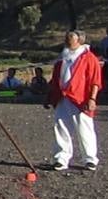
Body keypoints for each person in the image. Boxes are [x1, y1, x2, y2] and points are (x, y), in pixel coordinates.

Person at [44, 30, 103, 172]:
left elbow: (95, 80)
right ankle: (61, 158)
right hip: (62, 98)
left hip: (80, 98)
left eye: (71, 37)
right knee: (61, 127)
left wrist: (92, 98)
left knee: (84, 128)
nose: (67, 39)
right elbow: (55, 80)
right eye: (67, 37)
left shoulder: (89, 58)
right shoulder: (62, 59)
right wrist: (50, 96)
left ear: (80, 40)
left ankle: (90, 159)